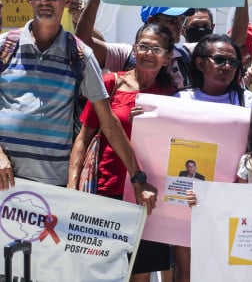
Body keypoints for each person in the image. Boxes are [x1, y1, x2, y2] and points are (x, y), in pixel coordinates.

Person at [0, 0, 157, 209]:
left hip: (52, 188)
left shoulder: (81, 55)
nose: (44, 1)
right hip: (3, 180)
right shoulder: (4, 47)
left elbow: (108, 121)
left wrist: (137, 178)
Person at [68, 22, 176, 280]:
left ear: (168, 57)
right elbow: (83, 138)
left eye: (157, 49)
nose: (149, 53)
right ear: (134, 49)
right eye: (144, 46)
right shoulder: (110, 84)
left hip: (148, 196)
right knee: (103, 272)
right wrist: (72, 187)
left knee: (140, 273)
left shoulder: (172, 96)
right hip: (107, 191)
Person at [74, 0, 252, 90]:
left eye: (180, 20)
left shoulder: (188, 54)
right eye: (171, 20)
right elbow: (83, 41)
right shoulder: (126, 54)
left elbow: (235, 42)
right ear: (151, 21)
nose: (178, 26)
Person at [172, 33, 252, 282]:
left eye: (233, 63)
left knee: (227, 271)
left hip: (233, 203)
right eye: (220, 60)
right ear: (200, 63)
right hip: (188, 203)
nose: (228, 67)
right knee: (186, 273)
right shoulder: (181, 100)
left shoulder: (247, 100)